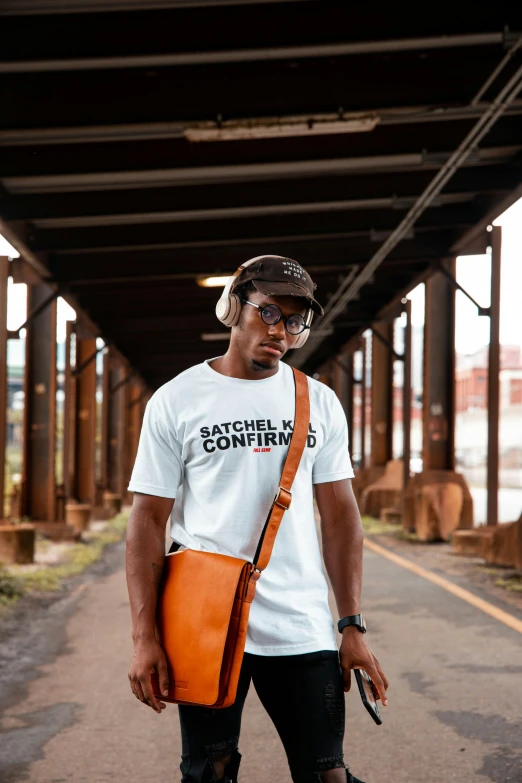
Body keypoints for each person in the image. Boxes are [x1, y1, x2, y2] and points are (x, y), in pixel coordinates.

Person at [126, 255, 389, 783]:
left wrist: (351, 624)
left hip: (301, 625)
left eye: (295, 321)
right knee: (210, 771)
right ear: (232, 308)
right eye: (269, 312)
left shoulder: (319, 402)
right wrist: (144, 637)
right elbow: (148, 523)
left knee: (326, 774)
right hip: (205, 622)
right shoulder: (176, 401)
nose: (282, 331)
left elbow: (340, 518)